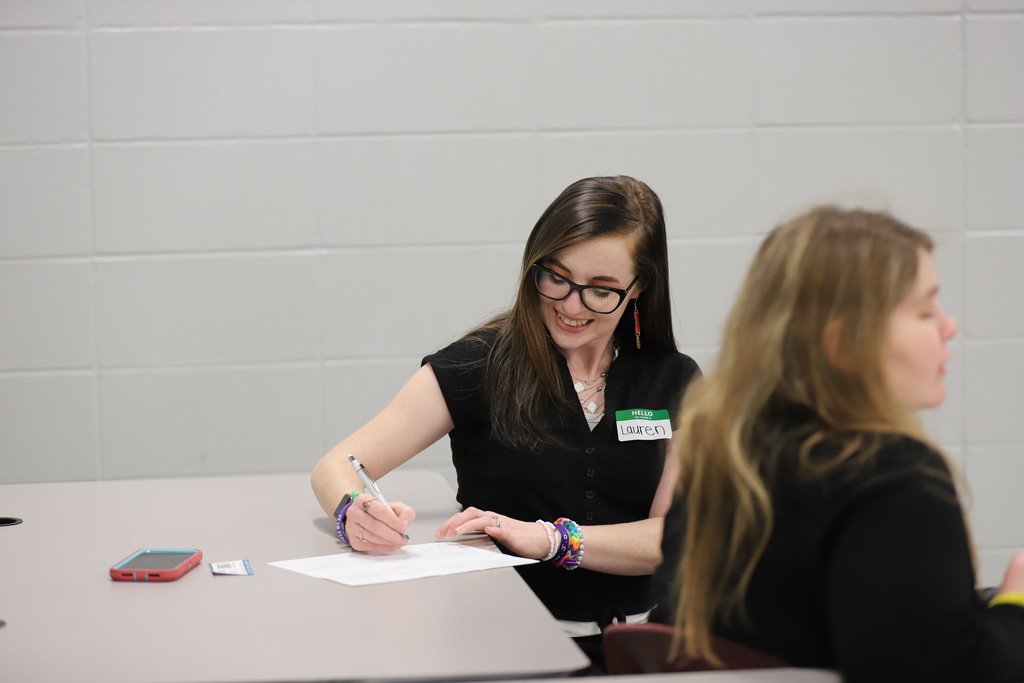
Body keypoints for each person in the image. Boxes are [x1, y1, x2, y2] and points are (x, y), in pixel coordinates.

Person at [312, 175, 701, 670]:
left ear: (639, 287)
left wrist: (550, 539)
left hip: (638, 647)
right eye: (556, 277)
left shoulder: (674, 380)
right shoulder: (478, 366)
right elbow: (336, 466)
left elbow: (674, 537)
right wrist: (355, 514)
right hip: (501, 643)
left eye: (601, 290)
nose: (570, 305)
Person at [651, 206, 1024, 682]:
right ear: (843, 345)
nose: (949, 327)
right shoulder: (892, 475)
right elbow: (938, 669)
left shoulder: (724, 461)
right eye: (926, 310)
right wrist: (1015, 609)